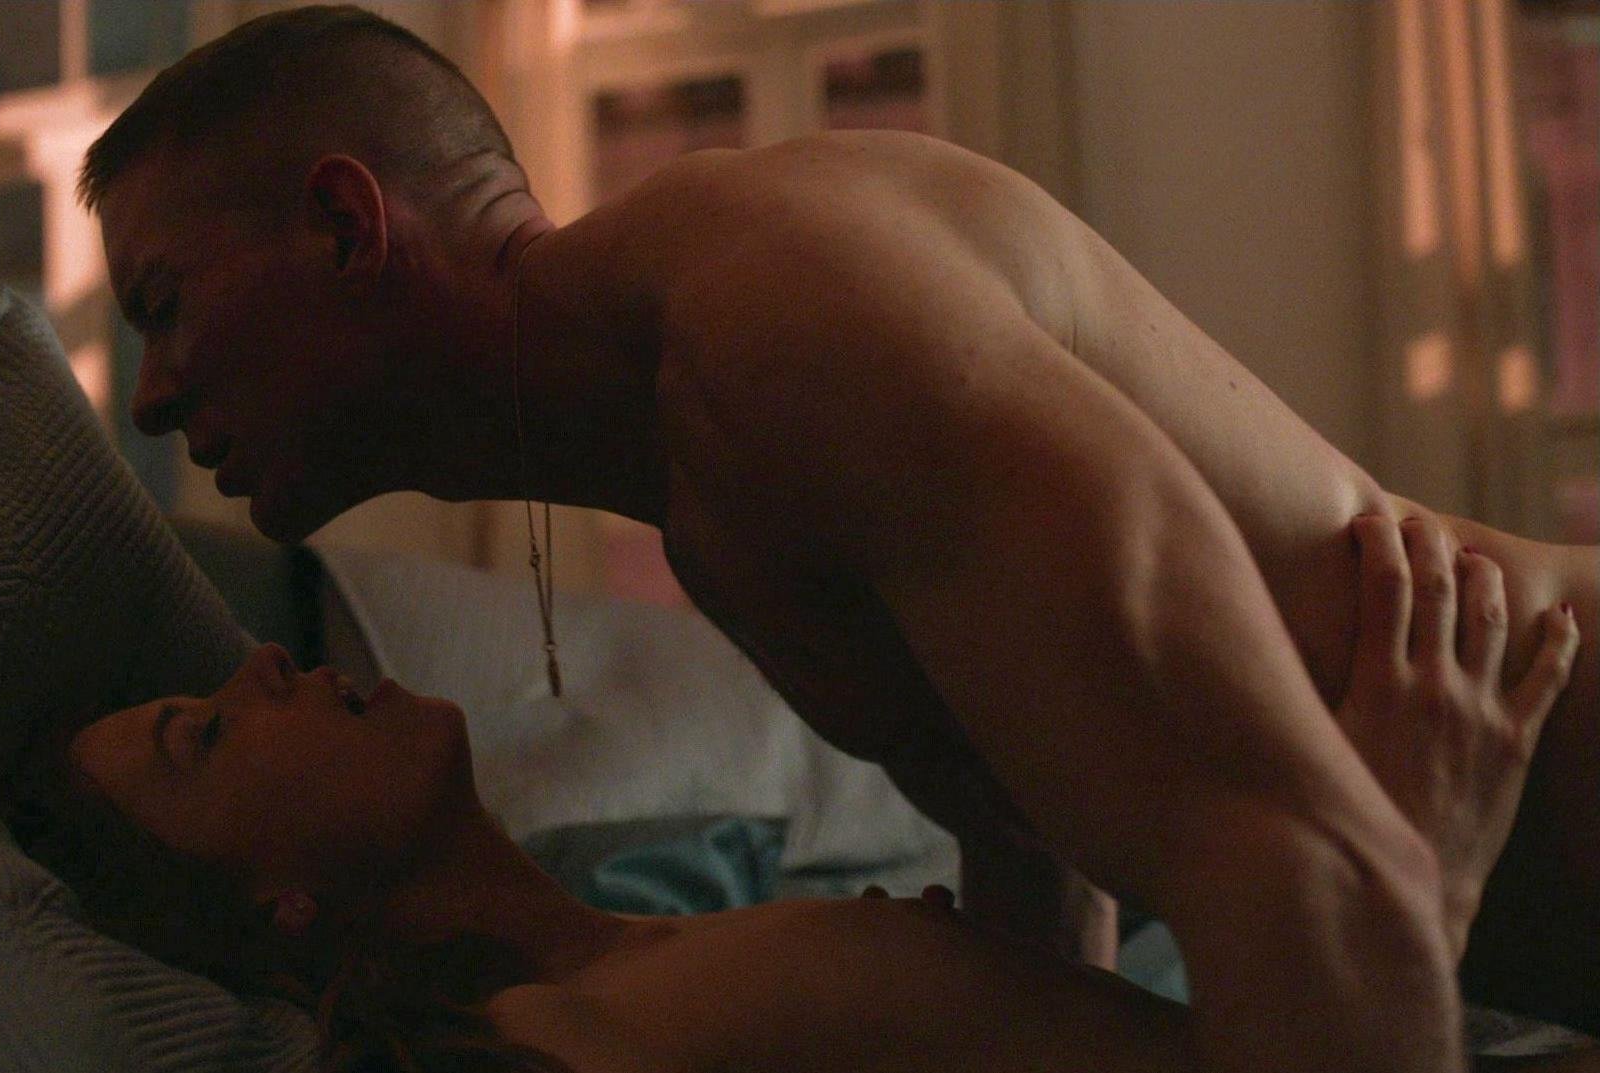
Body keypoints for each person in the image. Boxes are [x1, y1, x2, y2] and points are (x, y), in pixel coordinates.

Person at [82, 6, 1600, 1068]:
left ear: (346, 226)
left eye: (162, 304)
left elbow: (1323, 879)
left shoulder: (784, 318)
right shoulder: (712, 510)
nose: (148, 396)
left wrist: (1412, 882)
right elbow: (1048, 905)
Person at [9, 514, 1583, 1073]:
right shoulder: (573, 1044)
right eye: (201, 737)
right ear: (276, 908)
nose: (260, 668)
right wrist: (1418, 868)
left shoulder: (632, 958)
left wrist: (1014, 823)